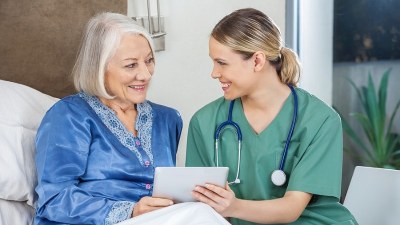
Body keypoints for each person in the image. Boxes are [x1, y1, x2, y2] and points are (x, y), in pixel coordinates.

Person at [186, 8, 358, 225]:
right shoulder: (204, 122)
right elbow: (200, 205)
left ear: (257, 61)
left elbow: (292, 208)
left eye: (222, 63)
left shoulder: (320, 120)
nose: (214, 73)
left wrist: (234, 206)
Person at [34, 12, 183, 225]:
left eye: (149, 61)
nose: (146, 74)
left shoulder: (168, 119)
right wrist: (130, 211)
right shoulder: (69, 116)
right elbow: (53, 199)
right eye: (131, 65)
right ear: (100, 68)